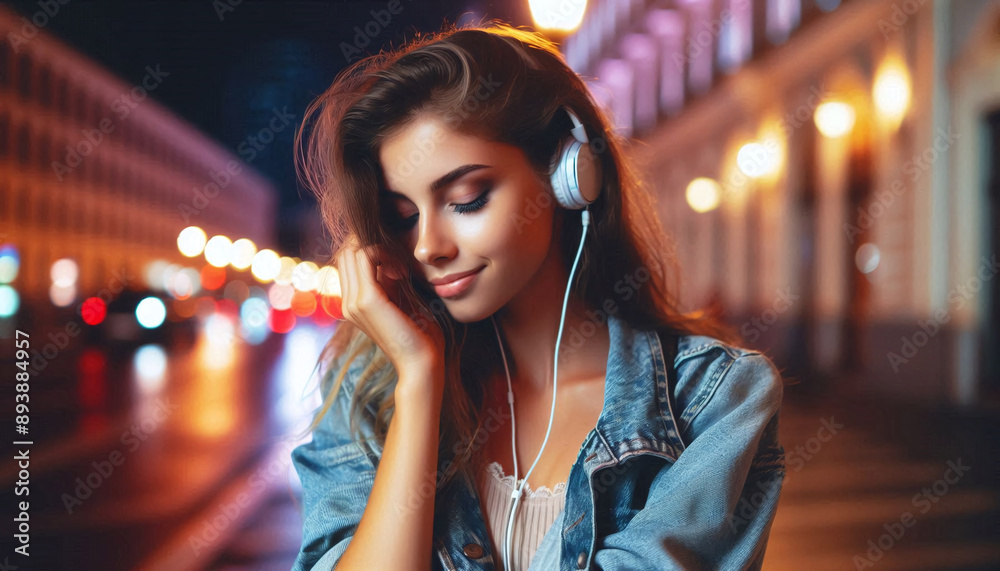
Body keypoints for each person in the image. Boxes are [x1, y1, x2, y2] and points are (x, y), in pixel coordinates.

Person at [290, 20, 786, 571]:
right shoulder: (369, 395)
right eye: (403, 217)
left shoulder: (712, 401)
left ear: (569, 175)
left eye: (467, 199)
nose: (427, 246)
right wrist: (419, 382)